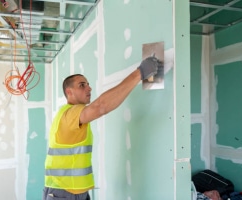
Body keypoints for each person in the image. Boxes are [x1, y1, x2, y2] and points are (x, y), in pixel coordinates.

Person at [42, 56, 160, 200]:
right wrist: (139, 73)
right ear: (69, 92)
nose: (89, 88)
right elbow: (100, 107)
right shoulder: (70, 114)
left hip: (72, 191)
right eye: (82, 85)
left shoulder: (69, 114)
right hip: (64, 193)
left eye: (88, 84)